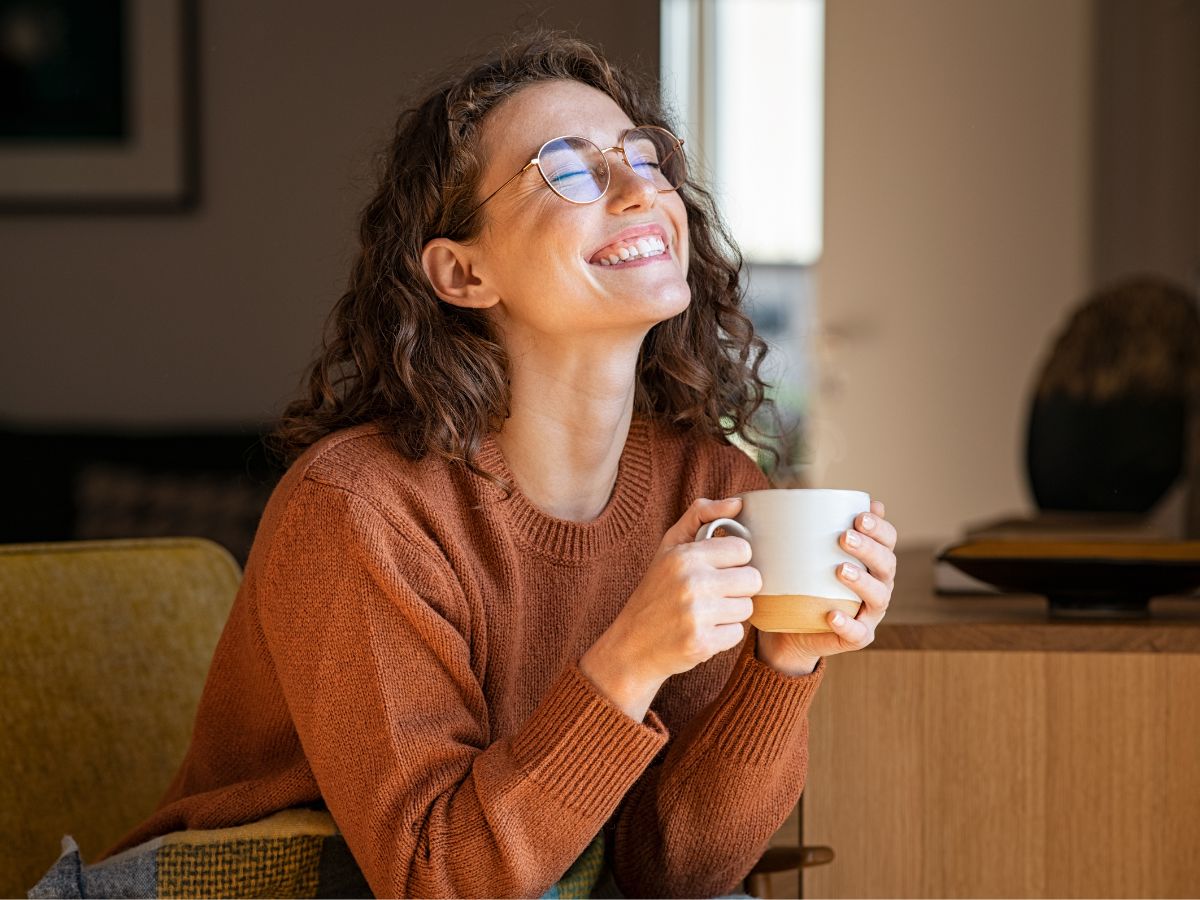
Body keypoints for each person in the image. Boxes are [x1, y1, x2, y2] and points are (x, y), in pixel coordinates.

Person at [104, 30, 898, 898]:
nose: (640, 190)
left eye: (647, 156)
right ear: (462, 272)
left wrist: (780, 665)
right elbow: (432, 878)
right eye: (568, 168)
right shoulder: (358, 509)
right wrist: (628, 659)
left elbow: (671, 876)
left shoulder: (711, 488)